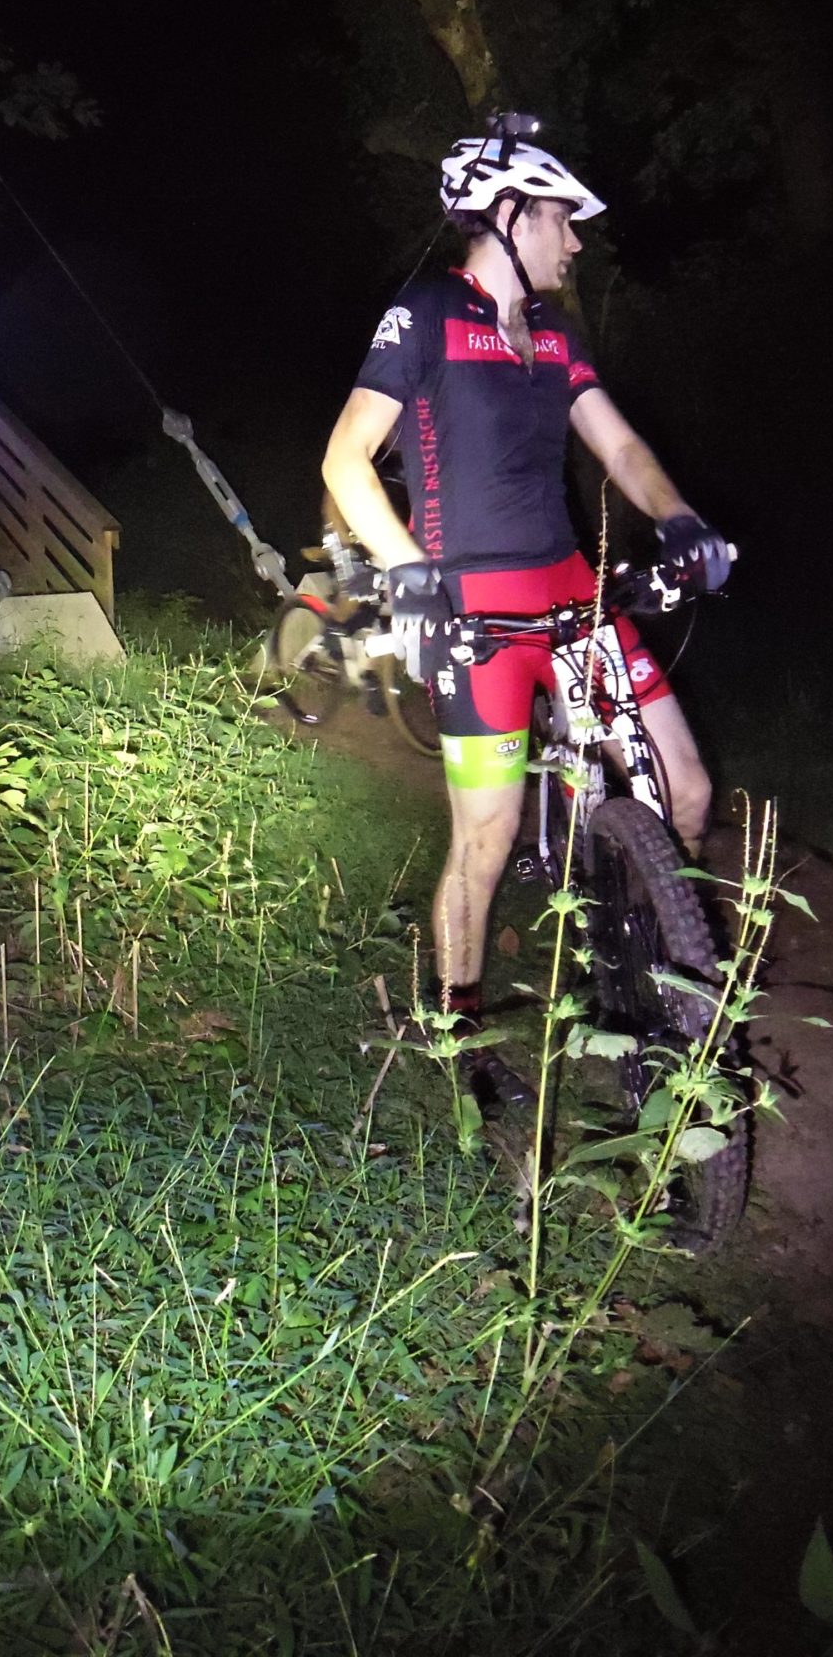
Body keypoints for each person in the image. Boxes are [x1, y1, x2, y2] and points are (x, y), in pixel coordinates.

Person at [319, 117, 731, 1094]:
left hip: (566, 592)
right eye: (562, 219)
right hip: (471, 609)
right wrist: (410, 579)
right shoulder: (423, 314)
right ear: (508, 216)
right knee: (489, 834)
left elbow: (620, 447)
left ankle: (662, 987)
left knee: (686, 788)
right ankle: (457, 1028)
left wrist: (678, 521)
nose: (575, 240)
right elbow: (344, 460)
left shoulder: (551, 334)